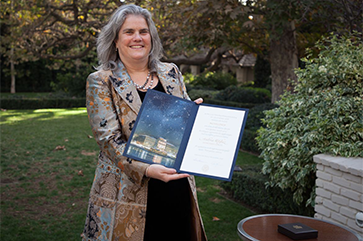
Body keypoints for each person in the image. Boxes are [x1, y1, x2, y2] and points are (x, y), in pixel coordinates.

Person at [82, 4, 207, 241]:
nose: (137, 38)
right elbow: (108, 140)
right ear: (115, 41)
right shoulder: (101, 81)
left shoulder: (171, 72)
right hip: (127, 191)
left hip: (176, 184)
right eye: (128, 32)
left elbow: (184, 125)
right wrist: (148, 169)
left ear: (152, 37)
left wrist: (196, 116)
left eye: (143, 31)